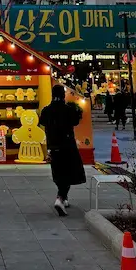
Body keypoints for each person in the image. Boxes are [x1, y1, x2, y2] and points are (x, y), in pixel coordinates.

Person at [40, 85, 86, 216]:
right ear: (63, 95)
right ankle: (60, 198)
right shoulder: (68, 110)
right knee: (69, 172)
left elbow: (42, 121)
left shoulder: (46, 110)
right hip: (68, 145)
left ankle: (63, 198)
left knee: (58, 172)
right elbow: (76, 121)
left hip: (53, 146)